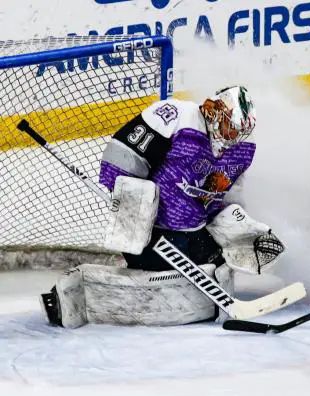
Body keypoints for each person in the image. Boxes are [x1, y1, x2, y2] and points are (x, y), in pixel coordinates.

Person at [39, 86, 286, 328]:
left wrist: (243, 233)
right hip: (153, 230)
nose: (233, 136)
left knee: (215, 270)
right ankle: (72, 293)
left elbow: (226, 200)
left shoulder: (242, 149)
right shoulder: (176, 117)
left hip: (196, 229)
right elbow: (120, 158)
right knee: (161, 281)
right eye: (230, 127)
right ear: (214, 111)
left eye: (238, 131)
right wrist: (134, 210)